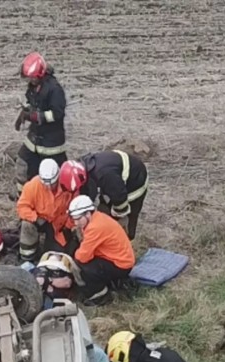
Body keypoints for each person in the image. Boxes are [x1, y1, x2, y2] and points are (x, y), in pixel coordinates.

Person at [59, 151, 148, 240]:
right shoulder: (83, 168)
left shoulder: (105, 176)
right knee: (104, 210)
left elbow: (121, 201)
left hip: (135, 181)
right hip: (116, 176)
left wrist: (115, 217)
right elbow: (87, 193)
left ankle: (128, 239)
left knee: (125, 218)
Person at [68, 195, 135, 305]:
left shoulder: (95, 227)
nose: (76, 223)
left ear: (88, 214)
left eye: (78, 219)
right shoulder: (98, 217)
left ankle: (99, 295)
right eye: (74, 219)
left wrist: (75, 254)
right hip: (120, 259)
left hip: (121, 264)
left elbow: (82, 257)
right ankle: (114, 282)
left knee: (82, 265)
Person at [15, 52, 68, 192]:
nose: (30, 80)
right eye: (28, 77)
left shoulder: (54, 89)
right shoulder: (34, 86)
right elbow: (35, 105)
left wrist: (33, 116)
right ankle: (23, 197)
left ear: (40, 74)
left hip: (52, 143)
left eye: (32, 77)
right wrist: (25, 112)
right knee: (22, 164)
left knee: (53, 175)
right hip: (34, 139)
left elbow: (57, 114)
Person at [16, 158, 76, 262]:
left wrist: (68, 227)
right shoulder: (33, 186)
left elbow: (75, 209)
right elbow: (22, 207)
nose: (48, 187)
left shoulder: (68, 185)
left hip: (59, 226)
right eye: (45, 185)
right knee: (27, 226)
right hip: (40, 220)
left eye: (52, 184)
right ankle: (27, 258)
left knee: (54, 255)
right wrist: (35, 218)